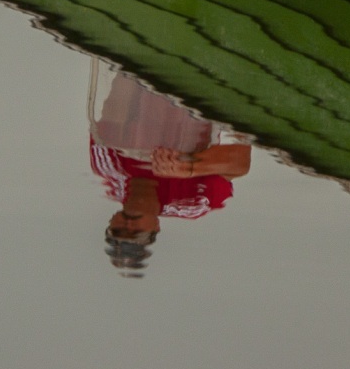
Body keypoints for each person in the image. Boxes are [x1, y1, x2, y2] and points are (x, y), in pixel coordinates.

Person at [90, 65, 252, 276]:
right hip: (201, 86)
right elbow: (241, 160)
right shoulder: (192, 203)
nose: (128, 224)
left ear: (111, 222)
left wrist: (134, 64)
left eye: (118, 230)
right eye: (136, 232)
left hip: (148, 74)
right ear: (155, 227)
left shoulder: (107, 166)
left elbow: (119, 93)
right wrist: (192, 166)